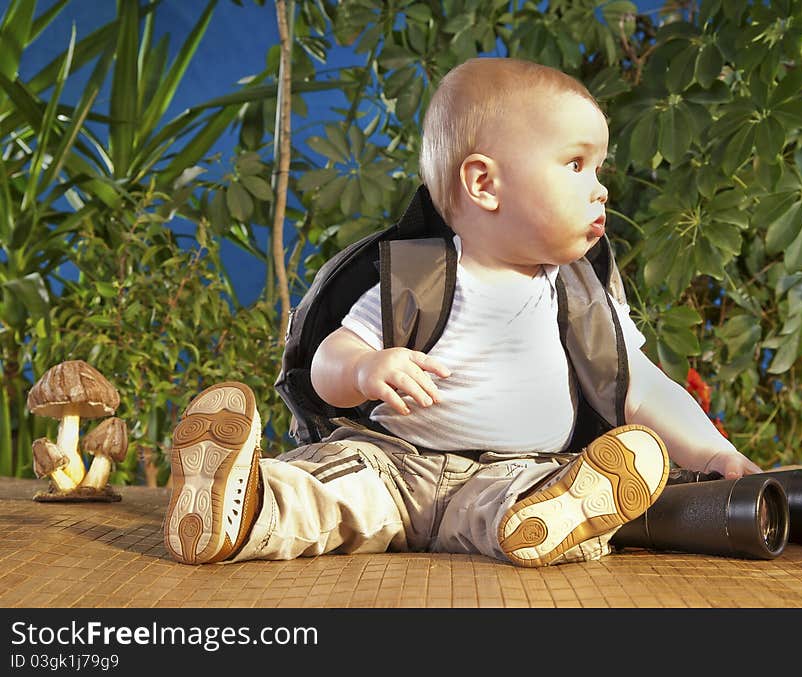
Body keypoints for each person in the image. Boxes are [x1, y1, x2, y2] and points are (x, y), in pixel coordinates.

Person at [163, 57, 762, 568]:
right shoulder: (424, 276)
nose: (601, 188)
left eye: (599, 168)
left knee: (537, 492)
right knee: (336, 491)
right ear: (484, 184)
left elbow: (643, 388)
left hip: (513, 473)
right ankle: (241, 508)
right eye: (577, 165)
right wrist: (365, 371)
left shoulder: (580, 293)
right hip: (395, 464)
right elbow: (327, 363)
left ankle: (551, 518)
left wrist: (711, 454)